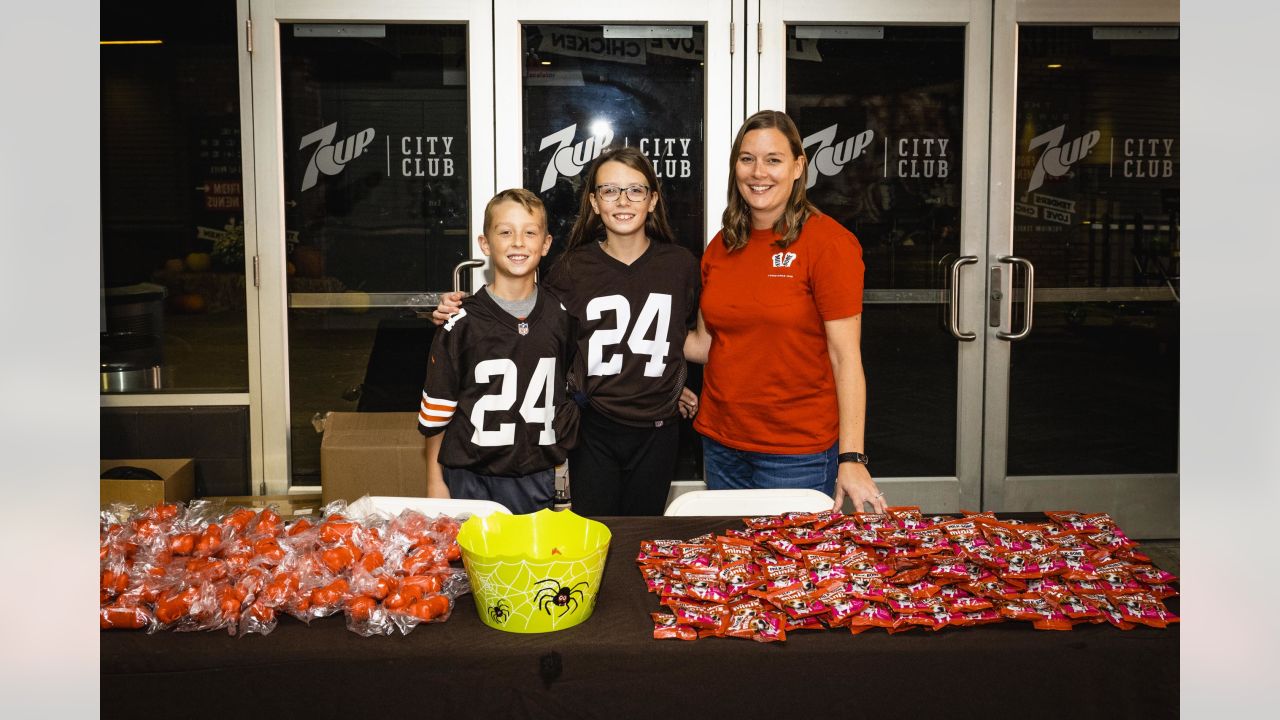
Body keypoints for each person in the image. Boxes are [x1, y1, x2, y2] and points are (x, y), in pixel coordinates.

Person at [432, 146, 700, 516]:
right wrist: (460, 314)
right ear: (593, 201)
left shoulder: (681, 264)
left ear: (653, 200)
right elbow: (533, 331)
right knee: (593, 530)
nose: (622, 200)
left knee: (644, 530)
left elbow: (675, 335)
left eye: (635, 190)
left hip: (658, 428)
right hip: (594, 423)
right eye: (609, 190)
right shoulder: (573, 267)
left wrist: (672, 379)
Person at [684, 109, 887, 514]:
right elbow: (706, 344)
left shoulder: (829, 244)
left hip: (796, 453)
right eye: (747, 159)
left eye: (773, 160)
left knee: (793, 574)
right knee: (733, 569)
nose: (758, 172)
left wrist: (852, 458)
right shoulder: (722, 245)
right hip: (722, 444)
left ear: (797, 167)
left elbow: (846, 357)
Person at [416, 188, 579, 514]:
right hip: (470, 474)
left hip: (534, 473)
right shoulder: (459, 321)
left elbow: (565, 392)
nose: (518, 242)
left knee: (528, 562)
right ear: (485, 243)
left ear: (545, 244)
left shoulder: (561, 316)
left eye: (529, 232)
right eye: (505, 232)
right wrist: (435, 481)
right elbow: (437, 413)